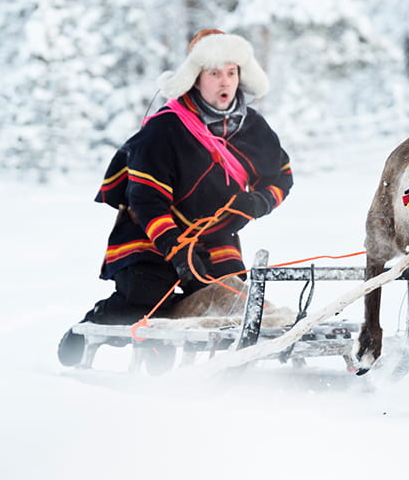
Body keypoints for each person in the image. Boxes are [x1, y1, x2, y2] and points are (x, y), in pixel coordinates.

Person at [58, 29, 293, 367]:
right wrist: (176, 251)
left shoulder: (253, 128)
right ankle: (93, 326)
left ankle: (195, 358)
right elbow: (145, 199)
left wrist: (257, 202)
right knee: (148, 297)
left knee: (231, 304)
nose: (224, 82)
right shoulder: (165, 128)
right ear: (196, 79)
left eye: (231, 72)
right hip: (150, 234)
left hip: (214, 238)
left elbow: (281, 177)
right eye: (214, 73)